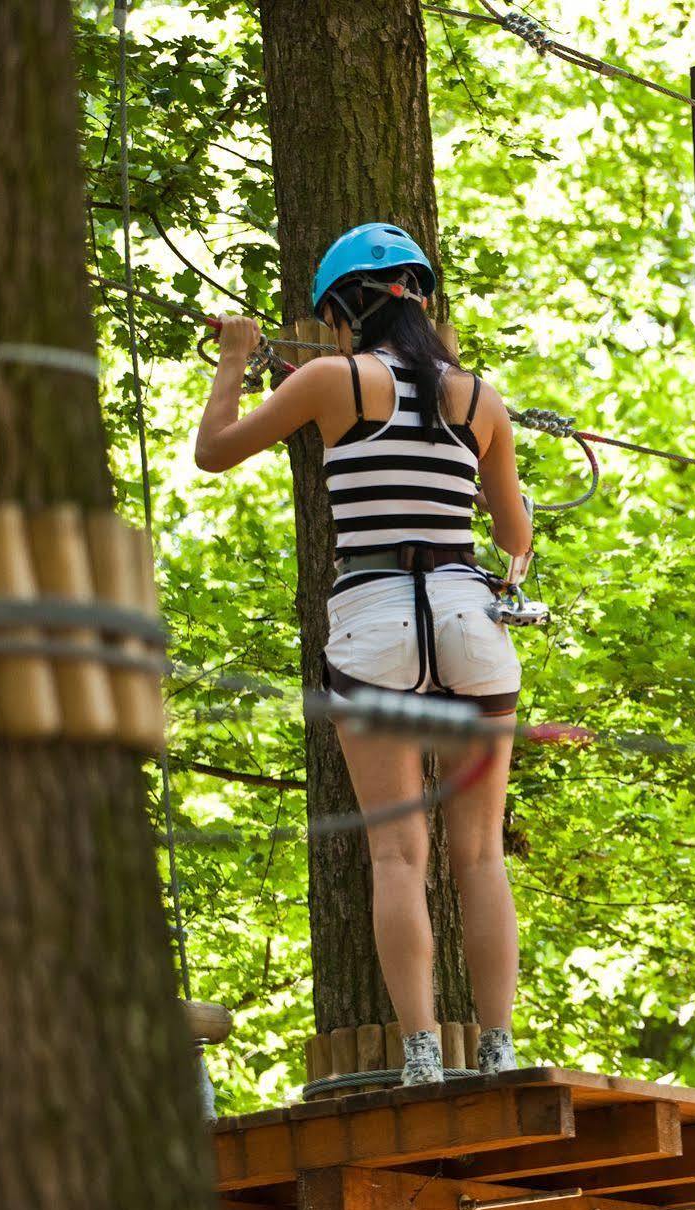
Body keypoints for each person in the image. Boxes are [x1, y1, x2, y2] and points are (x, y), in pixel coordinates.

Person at [194, 222, 531, 1086]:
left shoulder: (329, 381)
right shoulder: (478, 398)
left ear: (342, 312)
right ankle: (497, 1051)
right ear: (422, 298)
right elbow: (513, 532)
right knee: (481, 856)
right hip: (465, 614)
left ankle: (421, 1055)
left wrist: (235, 356)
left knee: (396, 856)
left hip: (376, 617)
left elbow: (214, 452)